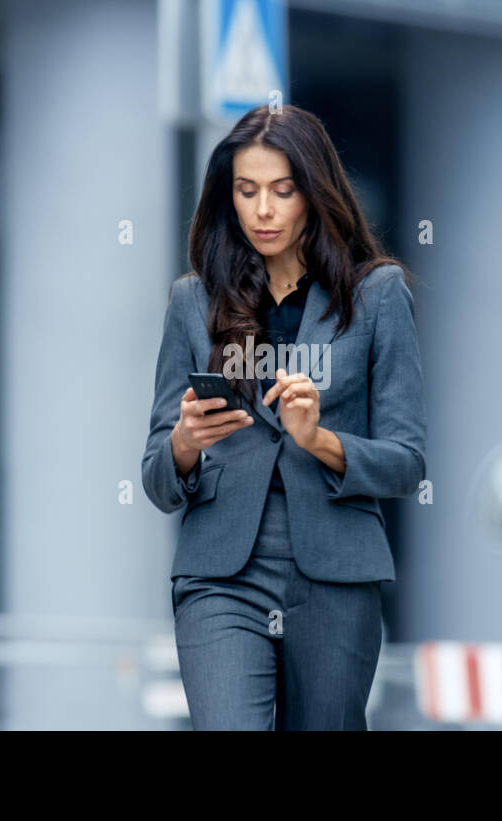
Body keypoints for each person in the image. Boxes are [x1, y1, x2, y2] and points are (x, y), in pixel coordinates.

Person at [141, 103, 426, 730]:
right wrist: (185, 442)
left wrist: (321, 440)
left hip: (335, 573)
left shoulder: (377, 295)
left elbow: (407, 464)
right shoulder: (193, 301)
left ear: (314, 193)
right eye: (246, 191)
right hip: (221, 574)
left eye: (281, 190)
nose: (262, 210)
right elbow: (157, 479)